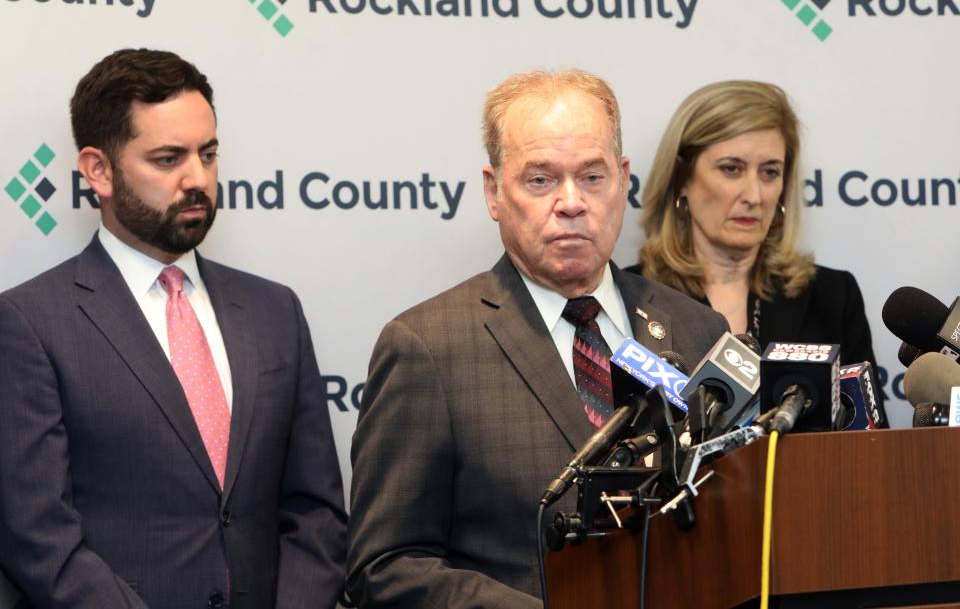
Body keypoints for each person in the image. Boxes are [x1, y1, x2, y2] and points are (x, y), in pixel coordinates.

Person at [346, 69, 727, 607]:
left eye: (592, 177)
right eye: (540, 179)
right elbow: (384, 568)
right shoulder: (428, 348)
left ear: (622, 180)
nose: (571, 202)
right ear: (494, 192)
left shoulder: (696, 329)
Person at [0, 48, 346, 608]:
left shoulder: (274, 310)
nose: (198, 180)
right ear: (98, 170)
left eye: (208, 154)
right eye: (167, 159)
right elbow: (38, 538)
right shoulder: (30, 323)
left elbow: (315, 510)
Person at [627, 80, 883, 372]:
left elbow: (868, 418)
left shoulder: (832, 297)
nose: (754, 196)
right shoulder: (632, 300)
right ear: (681, 178)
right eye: (731, 169)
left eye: (770, 172)